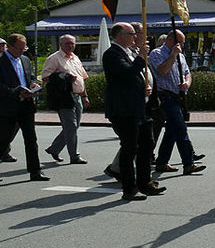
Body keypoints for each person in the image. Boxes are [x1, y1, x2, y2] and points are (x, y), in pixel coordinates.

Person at [102, 22, 163, 201]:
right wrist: (142, 57)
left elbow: (136, 78)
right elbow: (127, 73)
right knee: (130, 148)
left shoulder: (131, 52)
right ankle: (129, 188)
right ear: (119, 35)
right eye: (131, 33)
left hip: (140, 107)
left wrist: (145, 88)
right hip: (124, 109)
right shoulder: (112, 54)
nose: (135, 36)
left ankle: (145, 182)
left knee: (147, 144)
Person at [148, 29, 205, 175]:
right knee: (180, 128)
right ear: (170, 41)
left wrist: (187, 82)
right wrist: (173, 55)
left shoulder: (181, 55)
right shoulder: (156, 54)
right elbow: (163, 71)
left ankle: (162, 161)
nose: (182, 46)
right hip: (165, 95)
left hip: (178, 96)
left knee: (172, 131)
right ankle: (188, 163)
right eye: (180, 42)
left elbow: (187, 72)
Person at [0, 33, 49, 181]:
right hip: (7, 107)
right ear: (9, 46)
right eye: (19, 49)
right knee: (3, 140)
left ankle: (35, 171)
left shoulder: (25, 60)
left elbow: (30, 77)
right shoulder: (1, 61)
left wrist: (33, 84)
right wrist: (16, 91)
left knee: (31, 139)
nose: (22, 51)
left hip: (26, 106)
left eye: (24, 48)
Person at [40, 34, 90, 164]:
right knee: (71, 127)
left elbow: (82, 78)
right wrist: (64, 76)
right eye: (67, 43)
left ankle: (54, 149)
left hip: (77, 96)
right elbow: (45, 77)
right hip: (64, 97)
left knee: (73, 126)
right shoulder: (54, 58)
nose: (70, 46)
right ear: (61, 44)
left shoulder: (75, 58)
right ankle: (74, 156)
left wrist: (84, 96)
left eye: (72, 43)